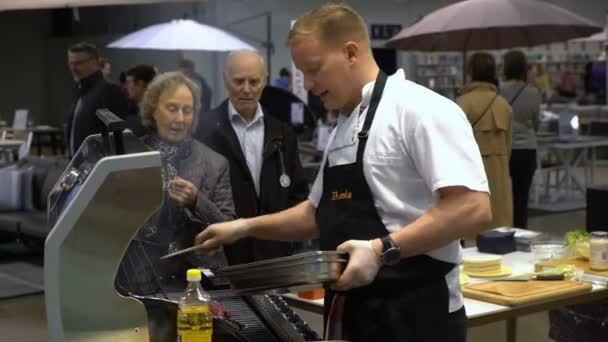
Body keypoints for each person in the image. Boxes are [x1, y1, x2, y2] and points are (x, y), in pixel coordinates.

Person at [194, 4, 491, 341]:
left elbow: (472, 207)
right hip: (355, 310)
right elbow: (316, 214)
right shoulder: (344, 125)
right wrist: (244, 227)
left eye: (314, 69)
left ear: (350, 52)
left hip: (417, 313)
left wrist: (381, 250)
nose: (308, 84)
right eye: (302, 73)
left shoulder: (422, 110)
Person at [116, 71, 235, 296]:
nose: (180, 119)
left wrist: (196, 201)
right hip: (139, 279)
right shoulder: (128, 159)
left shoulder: (215, 163)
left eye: (187, 111)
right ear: (153, 109)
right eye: (172, 109)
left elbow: (228, 226)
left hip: (199, 283)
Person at [193, 50, 308, 265]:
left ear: (264, 81)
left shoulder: (282, 132)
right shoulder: (204, 131)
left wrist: (290, 244)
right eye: (239, 81)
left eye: (254, 81)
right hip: (225, 256)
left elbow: (298, 194)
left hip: (275, 256)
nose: (246, 89)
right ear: (225, 79)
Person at [457, 52, 513, 231]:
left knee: (470, 227)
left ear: (470, 72)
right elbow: (508, 146)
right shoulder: (503, 104)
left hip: (468, 178)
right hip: (499, 175)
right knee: (498, 224)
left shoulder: (461, 103)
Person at [500, 50, 542, 229]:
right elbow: (536, 123)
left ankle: (504, 230)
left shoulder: (498, 91)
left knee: (504, 194)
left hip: (505, 149)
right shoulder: (533, 92)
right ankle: (521, 231)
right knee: (522, 195)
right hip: (527, 149)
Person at [66, 42, 129, 156]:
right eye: (71, 64)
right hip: (79, 163)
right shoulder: (78, 89)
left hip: (98, 164)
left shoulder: (108, 90)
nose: (73, 68)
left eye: (78, 63)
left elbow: (116, 136)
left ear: (94, 61)